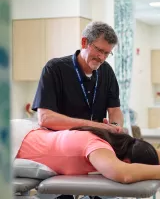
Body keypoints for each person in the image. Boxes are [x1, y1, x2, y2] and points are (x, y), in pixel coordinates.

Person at [31, 21, 124, 199]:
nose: (102, 58)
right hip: (60, 151)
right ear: (84, 43)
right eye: (99, 50)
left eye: (107, 53)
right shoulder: (55, 69)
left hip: (93, 150)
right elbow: (45, 118)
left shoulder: (106, 72)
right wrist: (92, 126)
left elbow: (115, 110)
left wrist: (114, 127)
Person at [16, 126, 160, 192]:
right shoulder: (99, 148)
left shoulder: (119, 141)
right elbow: (123, 174)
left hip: (29, 134)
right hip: (14, 141)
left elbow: (158, 154)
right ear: (127, 161)